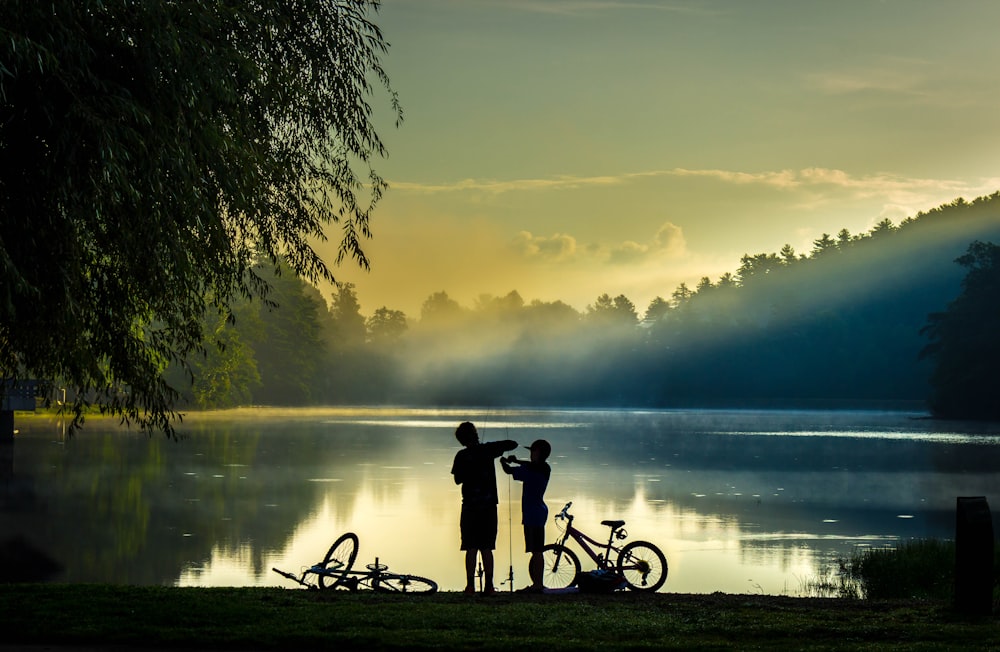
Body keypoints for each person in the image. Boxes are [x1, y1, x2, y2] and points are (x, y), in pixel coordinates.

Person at [451, 421, 517, 595]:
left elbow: (457, 480)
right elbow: (512, 444)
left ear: (461, 440)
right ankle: (489, 586)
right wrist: (491, 447)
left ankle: (470, 586)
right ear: (476, 435)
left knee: (470, 547)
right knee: (487, 547)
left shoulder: (461, 456)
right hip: (488, 507)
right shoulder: (488, 450)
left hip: (470, 507)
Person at [500, 438, 552, 593]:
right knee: (536, 550)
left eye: (532, 451)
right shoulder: (545, 468)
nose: (530, 454)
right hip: (538, 512)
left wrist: (504, 462)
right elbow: (530, 465)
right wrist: (517, 460)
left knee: (536, 551)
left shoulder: (531, 471)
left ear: (538, 453)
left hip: (532, 514)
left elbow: (509, 471)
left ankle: (537, 585)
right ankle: (537, 583)